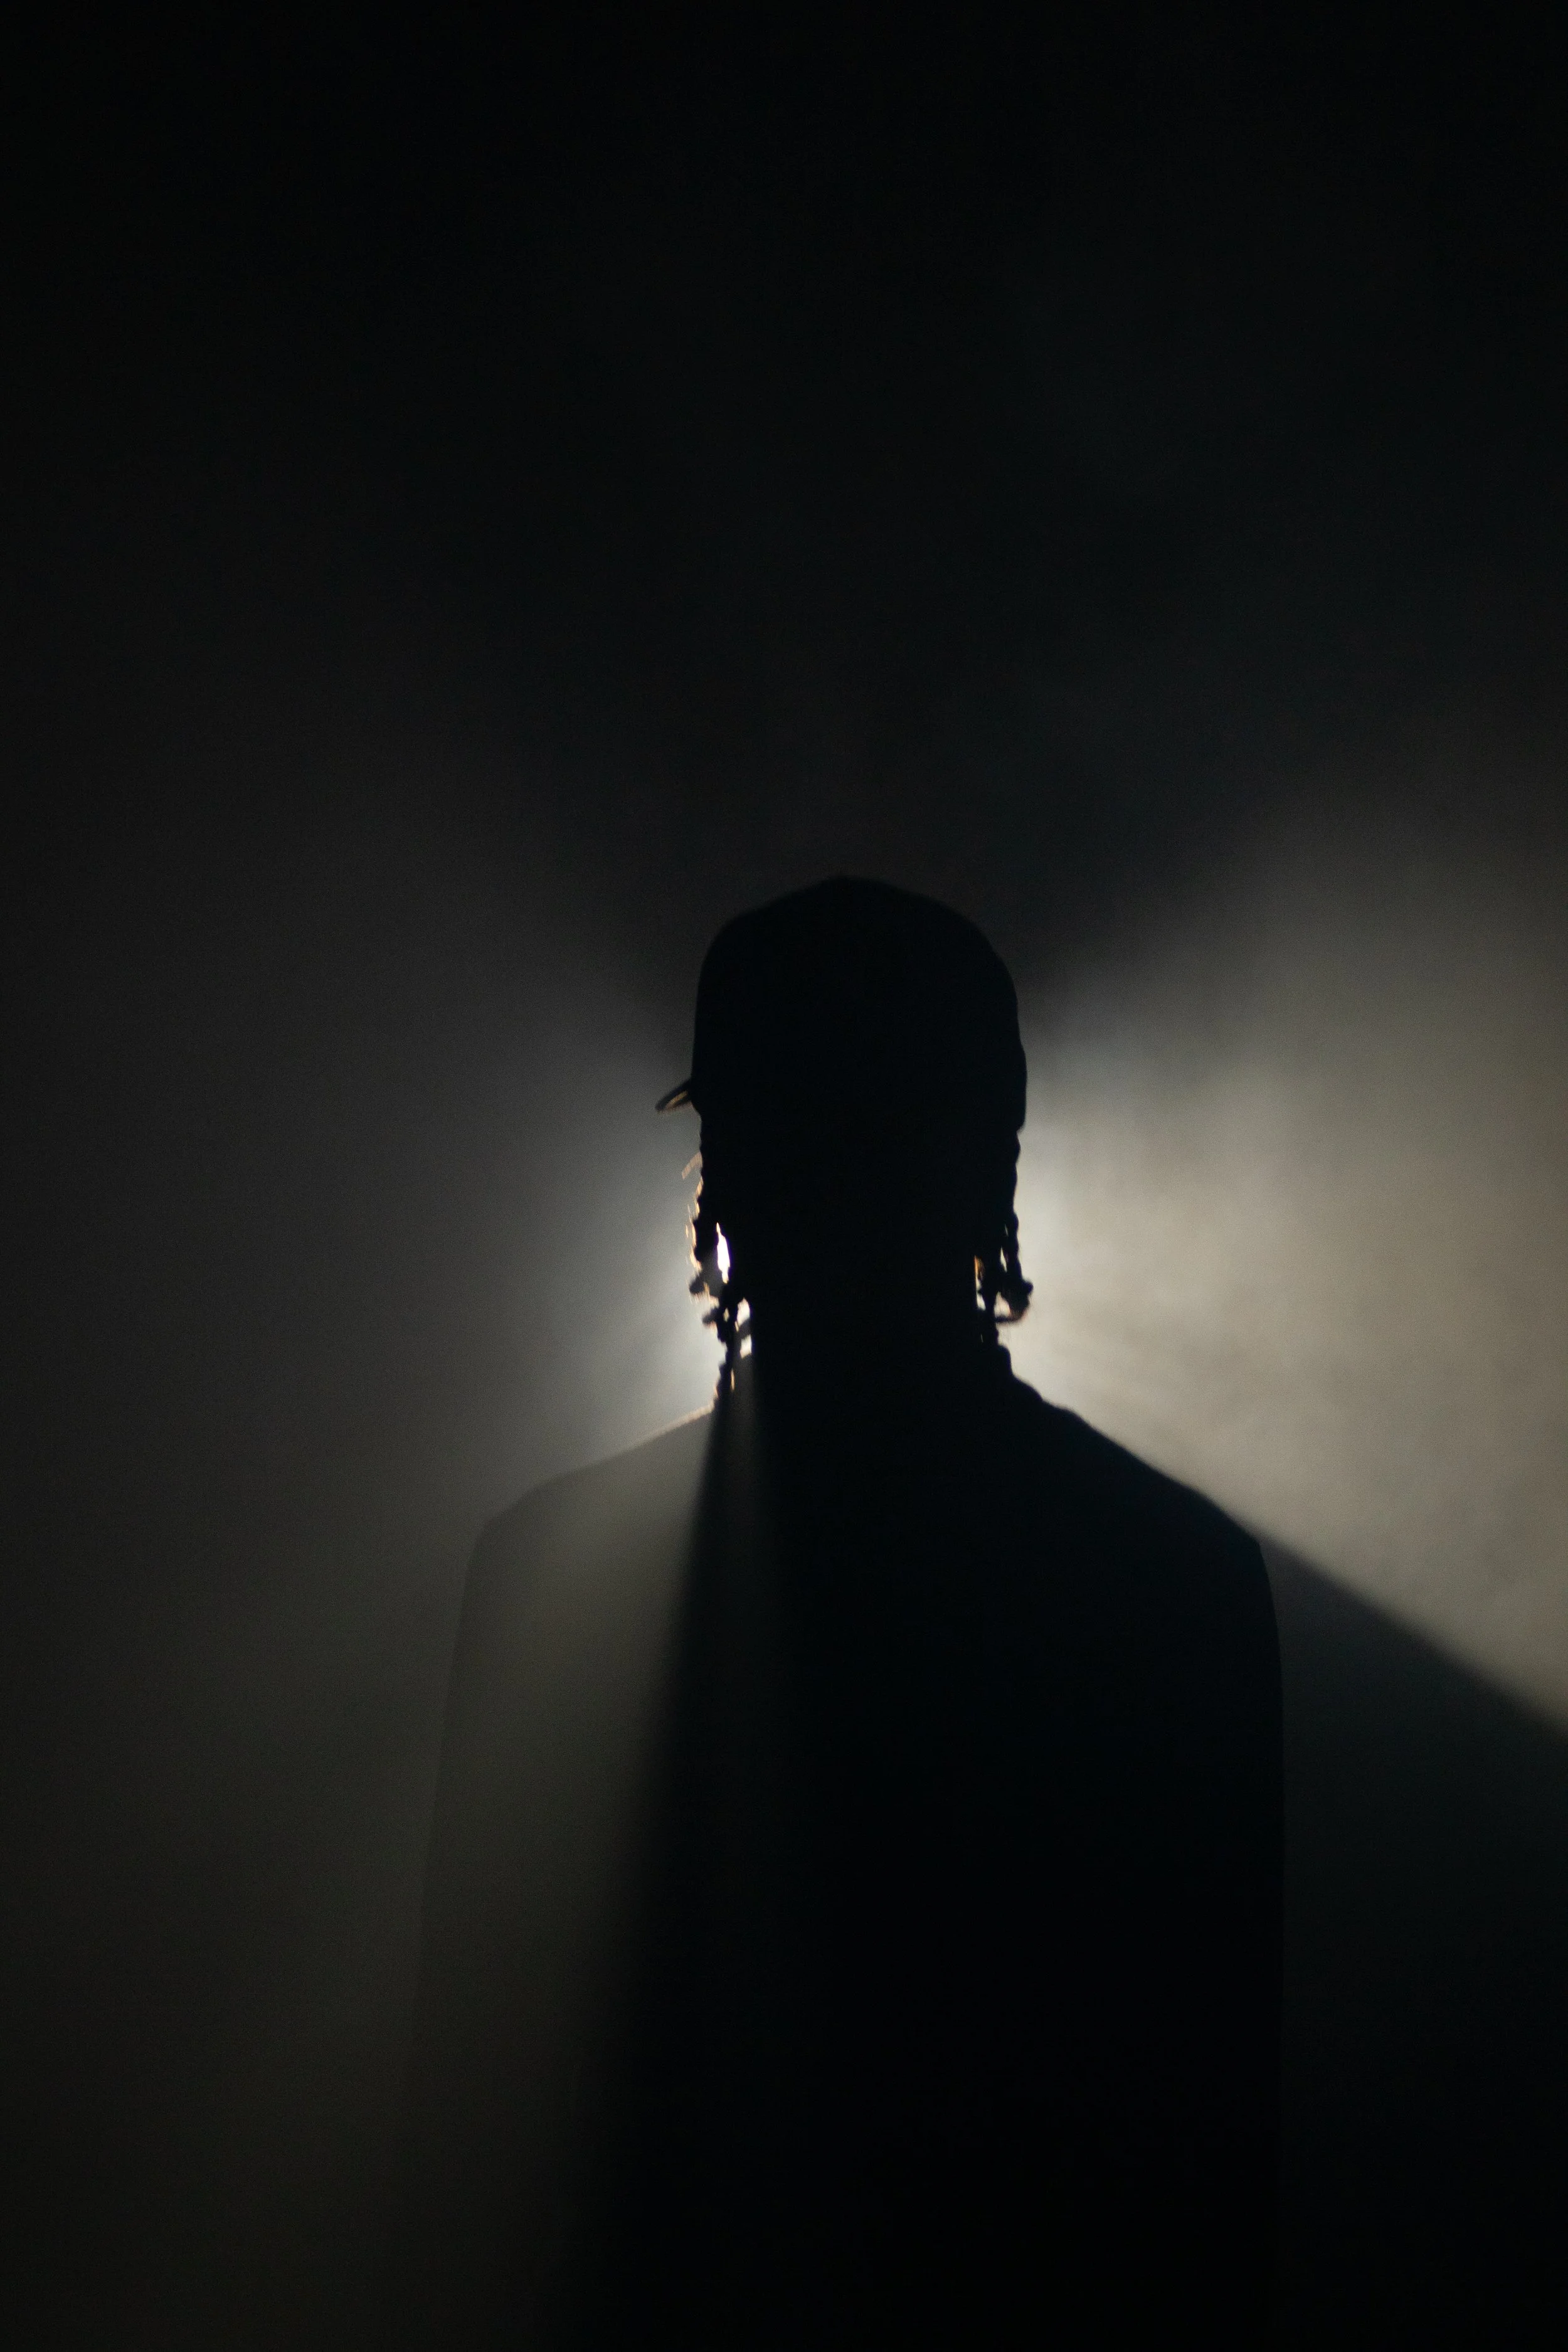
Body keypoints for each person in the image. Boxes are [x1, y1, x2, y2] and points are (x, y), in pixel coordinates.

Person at [385, 878, 1282, 2348]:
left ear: (718, 1171)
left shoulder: (552, 1577)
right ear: (991, 1155)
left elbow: (457, 2155)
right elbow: (1215, 2180)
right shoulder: (1168, 1577)